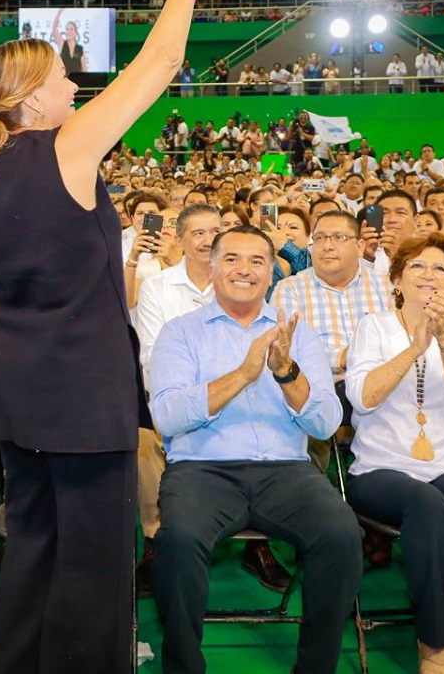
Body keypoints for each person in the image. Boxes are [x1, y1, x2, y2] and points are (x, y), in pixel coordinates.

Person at [0, 0, 194, 674]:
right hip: (81, 395)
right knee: (93, 569)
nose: (76, 89)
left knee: (31, 553)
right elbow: (161, 64)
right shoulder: (64, 148)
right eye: (63, 78)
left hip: (17, 394)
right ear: (30, 98)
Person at [149, 227, 362, 674]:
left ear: (272, 274)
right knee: (179, 540)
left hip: (286, 471)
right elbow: (166, 417)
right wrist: (243, 375)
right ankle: (183, 667)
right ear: (212, 268)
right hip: (203, 470)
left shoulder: (297, 333)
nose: (243, 270)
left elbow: (326, 421)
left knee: (342, 535)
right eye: (231, 259)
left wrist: (286, 374)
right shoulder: (180, 332)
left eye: (256, 261)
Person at [344, 235, 444, 674]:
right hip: (380, 468)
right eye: (417, 267)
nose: (428, 276)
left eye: (440, 269)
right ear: (398, 279)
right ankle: (433, 644)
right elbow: (363, 398)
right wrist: (415, 346)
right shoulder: (374, 326)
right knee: (425, 503)